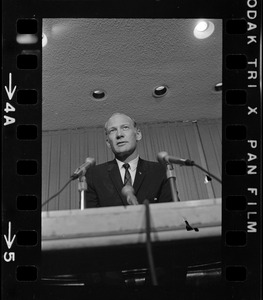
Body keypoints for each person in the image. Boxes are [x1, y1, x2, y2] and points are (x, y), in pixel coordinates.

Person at [85, 112, 172, 208]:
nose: (119, 134)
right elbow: (89, 219)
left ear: (138, 134)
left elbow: (174, 214)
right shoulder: (94, 175)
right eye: (112, 130)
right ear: (108, 143)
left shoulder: (159, 171)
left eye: (125, 127)